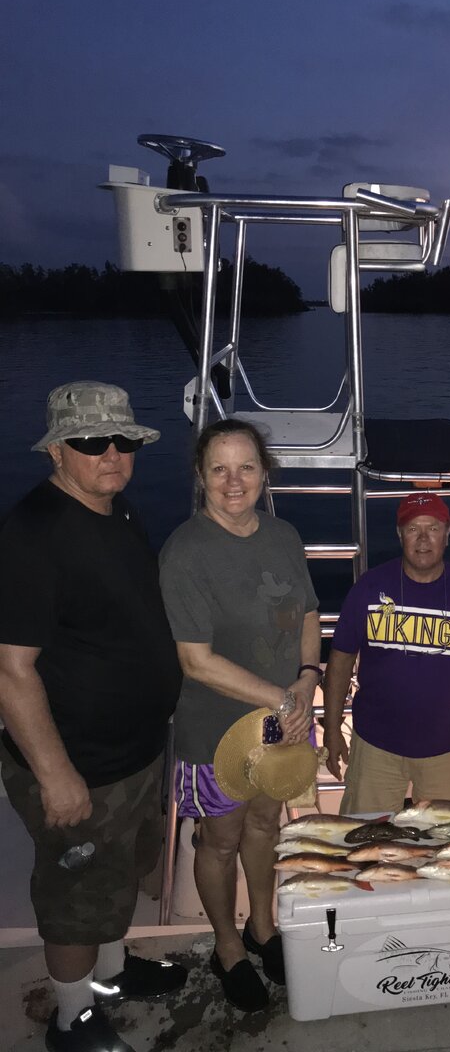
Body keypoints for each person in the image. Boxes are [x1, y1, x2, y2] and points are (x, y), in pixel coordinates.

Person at [0, 382, 187, 1052]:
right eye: (89, 441)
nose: (111, 454)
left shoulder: (118, 509)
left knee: (119, 874)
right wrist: (56, 776)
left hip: (135, 754)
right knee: (76, 896)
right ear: (56, 450)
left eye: (122, 440)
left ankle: (110, 973)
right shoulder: (34, 535)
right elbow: (10, 670)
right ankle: (71, 1018)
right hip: (81, 765)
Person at [159, 418, 320, 1014]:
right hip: (215, 731)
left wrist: (308, 677)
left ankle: (262, 926)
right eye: (219, 469)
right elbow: (195, 661)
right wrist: (282, 698)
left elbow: (308, 613)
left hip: (282, 722)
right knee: (220, 840)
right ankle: (227, 946)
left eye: (246, 467)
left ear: (264, 472)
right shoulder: (185, 552)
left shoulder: (283, 534)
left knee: (265, 825)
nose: (234, 481)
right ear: (200, 476)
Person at [323, 493, 450, 813]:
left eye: (433, 528)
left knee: (444, 839)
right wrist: (332, 729)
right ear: (400, 535)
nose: (423, 539)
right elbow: (340, 661)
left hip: (446, 749)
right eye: (413, 529)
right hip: (375, 746)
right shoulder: (368, 588)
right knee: (365, 833)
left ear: (447, 534)